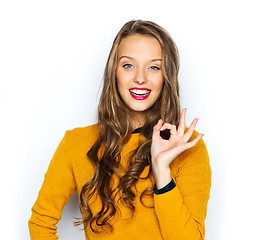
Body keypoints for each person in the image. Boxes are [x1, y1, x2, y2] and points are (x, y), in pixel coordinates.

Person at [28, 20, 211, 240]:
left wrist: (162, 169)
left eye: (154, 67)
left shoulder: (188, 147)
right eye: (128, 65)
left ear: (167, 76)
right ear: (114, 71)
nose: (140, 78)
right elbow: (41, 221)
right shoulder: (77, 142)